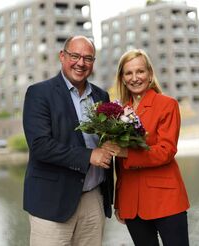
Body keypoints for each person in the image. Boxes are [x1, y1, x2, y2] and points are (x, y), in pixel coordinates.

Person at [22, 35, 114, 246]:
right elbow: (40, 146)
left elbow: (107, 143)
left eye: (88, 58)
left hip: (93, 199)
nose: (81, 63)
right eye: (75, 56)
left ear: (93, 62)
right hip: (51, 203)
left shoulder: (102, 97)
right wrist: (90, 155)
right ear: (62, 56)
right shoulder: (39, 93)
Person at [103, 49, 190, 246]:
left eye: (140, 71)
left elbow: (166, 151)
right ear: (123, 78)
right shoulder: (118, 112)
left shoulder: (167, 105)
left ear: (150, 74)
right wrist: (119, 202)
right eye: (128, 73)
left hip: (166, 199)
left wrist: (127, 153)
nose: (135, 78)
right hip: (132, 202)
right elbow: (119, 163)